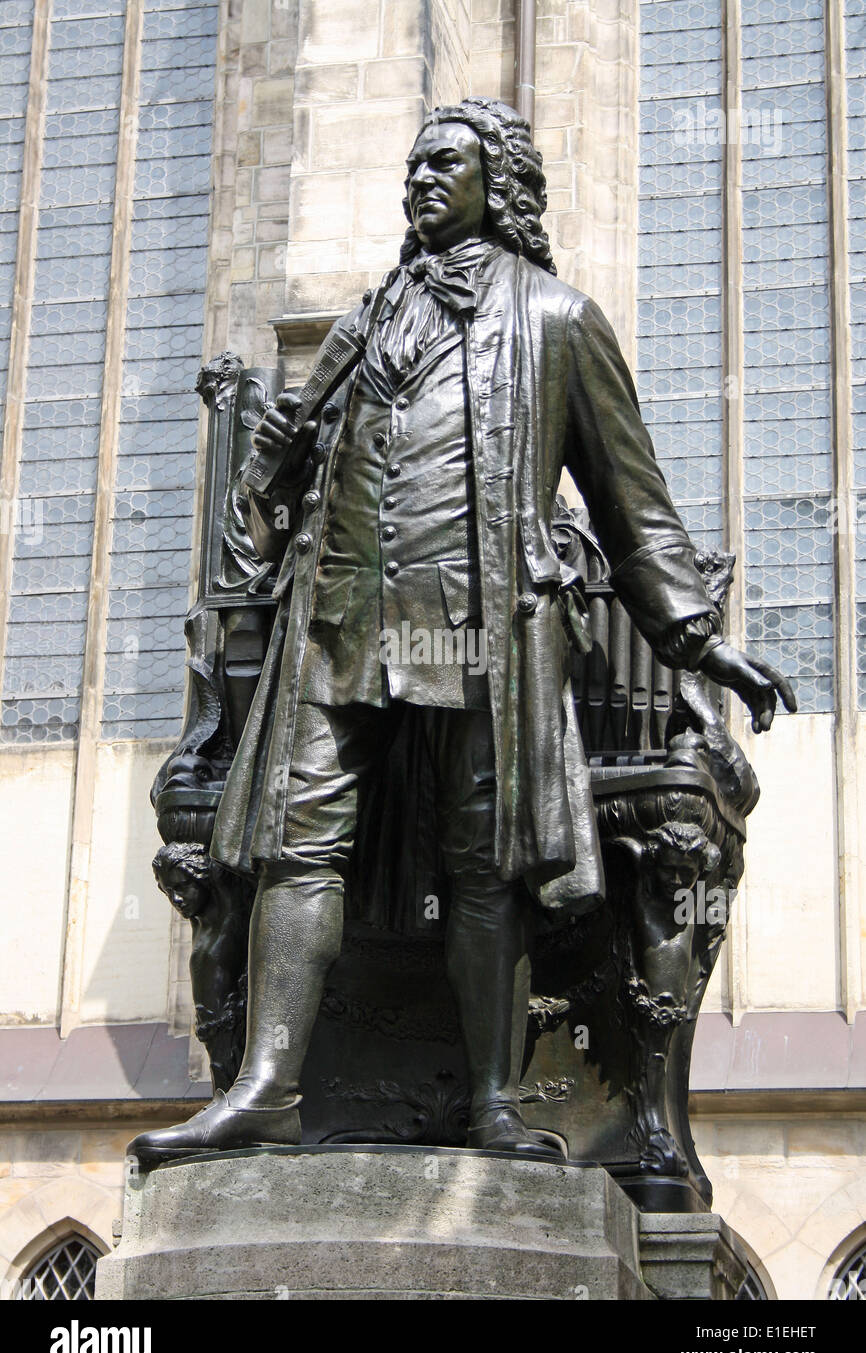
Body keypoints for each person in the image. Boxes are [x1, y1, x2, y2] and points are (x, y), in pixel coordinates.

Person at [129, 98, 794, 1167]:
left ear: (502, 182)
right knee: (296, 839)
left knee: (485, 861)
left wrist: (692, 637)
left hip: (480, 628)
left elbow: (631, 504)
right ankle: (265, 1087)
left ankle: (492, 1100)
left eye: (445, 161)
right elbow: (280, 479)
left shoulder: (557, 320)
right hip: (341, 620)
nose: (420, 178)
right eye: (412, 164)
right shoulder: (363, 318)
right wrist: (268, 470)